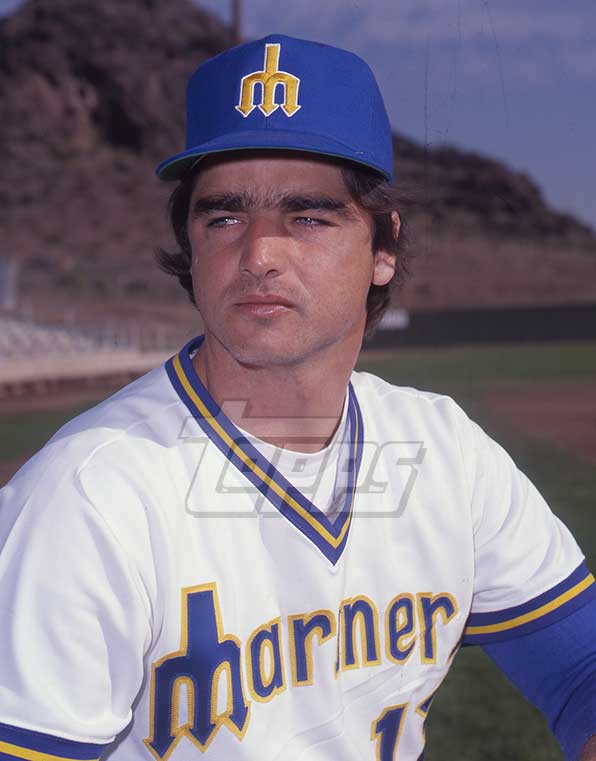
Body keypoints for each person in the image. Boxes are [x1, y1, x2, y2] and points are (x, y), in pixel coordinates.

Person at [0, 33, 595, 761]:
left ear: (384, 247)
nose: (259, 255)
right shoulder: (85, 500)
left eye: (308, 217)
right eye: (223, 216)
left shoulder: (448, 453)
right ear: (190, 246)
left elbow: (582, 669)